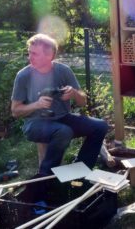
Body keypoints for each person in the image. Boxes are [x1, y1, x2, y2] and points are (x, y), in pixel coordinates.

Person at [11, 33, 108, 175]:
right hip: (35, 123)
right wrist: (37, 105)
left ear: (50, 55)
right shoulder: (23, 76)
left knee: (100, 126)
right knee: (63, 131)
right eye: (29, 52)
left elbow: (83, 101)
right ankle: (46, 176)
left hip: (63, 118)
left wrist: (74, 93)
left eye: (34, 54)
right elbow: (15, 110)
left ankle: (80, 170)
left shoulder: (63, 71)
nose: (29, 57)